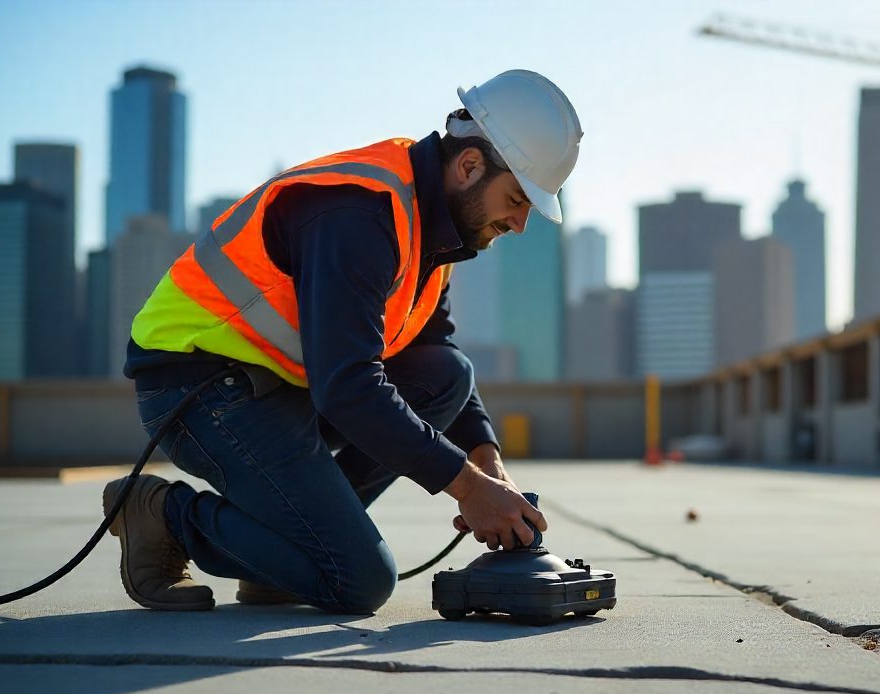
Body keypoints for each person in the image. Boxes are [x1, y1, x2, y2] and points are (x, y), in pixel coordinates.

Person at [104, 69, 583, 613]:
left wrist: (486, 460)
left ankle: (289, 560)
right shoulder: (360, 213)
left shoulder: (430, 224)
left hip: (274, 388)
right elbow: (349, 386)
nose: (521, 224)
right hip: (202, 388)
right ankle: (164, 515)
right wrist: (469, 490)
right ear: (470, 166)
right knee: (359, 580)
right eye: (518, 199)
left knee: (446, 377)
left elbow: (434, 347)